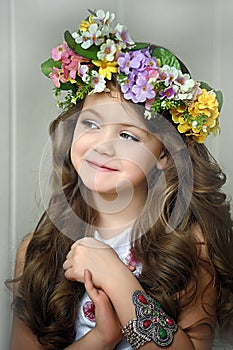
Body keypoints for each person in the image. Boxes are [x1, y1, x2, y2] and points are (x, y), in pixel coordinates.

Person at [9, 8, 233, 350]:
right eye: (91, 124)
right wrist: (101, 337)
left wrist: (116, 278)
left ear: (163, 155)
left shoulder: (190, 247)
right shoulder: (37, 250)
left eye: (128, 136)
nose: (103, 146)